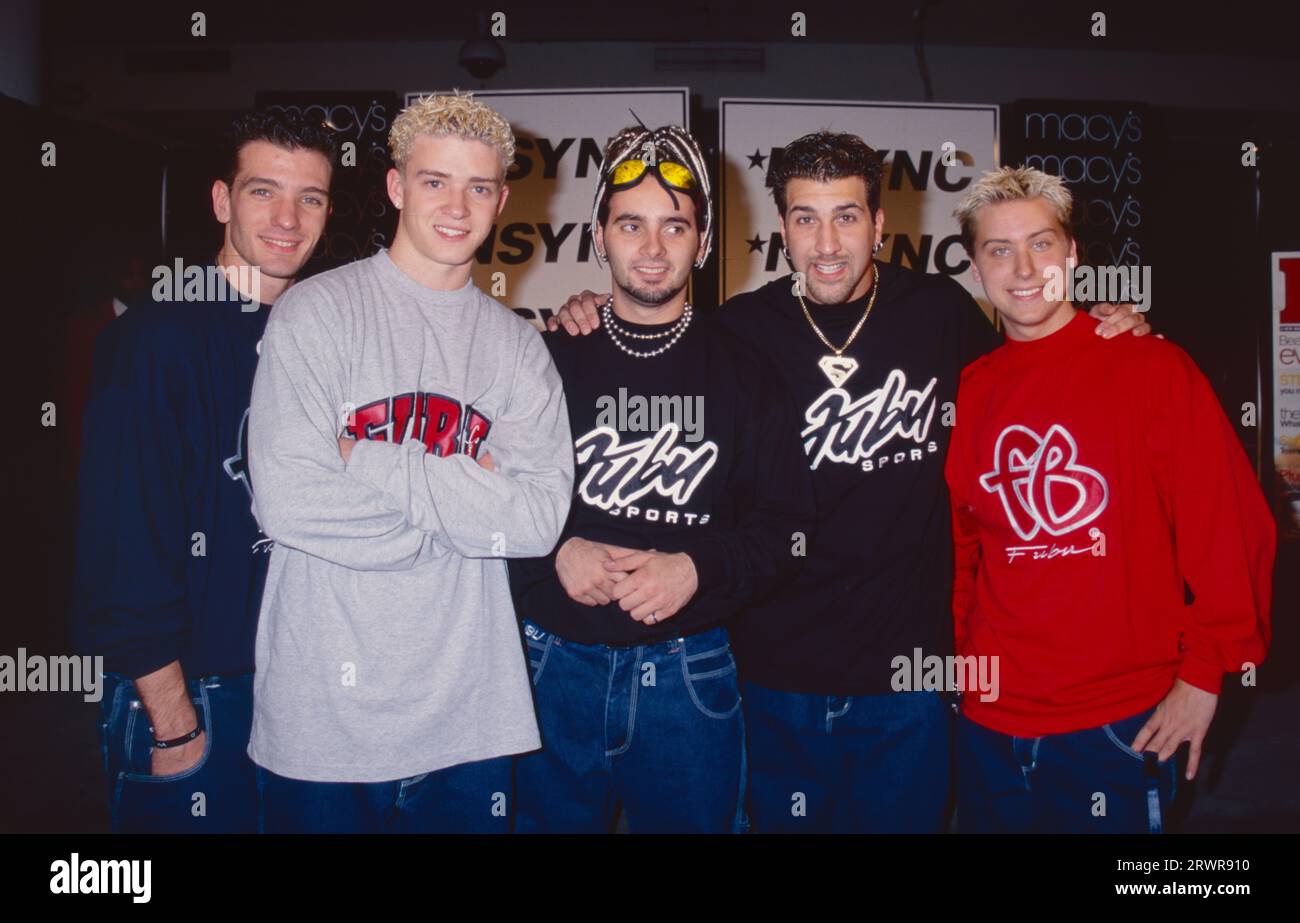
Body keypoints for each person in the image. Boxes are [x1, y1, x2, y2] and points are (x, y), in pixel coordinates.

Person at [547, 131, 1150, 832]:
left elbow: (1033, 368)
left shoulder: (942, 314)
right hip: (769, 673)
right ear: (781, 229)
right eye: (805, 217)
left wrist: (1107, 322)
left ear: (880, 224)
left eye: (846, 217)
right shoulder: (738, 331)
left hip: (911, 677)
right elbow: (649, 337)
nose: (827, 243)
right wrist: (582, 311)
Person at [246, 93, 574, 833]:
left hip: (471, 720)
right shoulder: (316, 312)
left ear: (501, 201)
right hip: (319, 720)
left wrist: (360, 456)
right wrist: (460, 508)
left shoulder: (520, 349)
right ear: (396, 187)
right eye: (435, 181)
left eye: (478, 187)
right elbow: (289, 500)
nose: (457, 206)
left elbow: (536, 519)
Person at [944, 165, 1274, 833]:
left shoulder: (1151, 366)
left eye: (1040, 243)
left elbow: (1228, 525)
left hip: (1118, 724)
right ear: (976, 268)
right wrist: (959, 668)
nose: (1023, 266)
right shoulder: (973, 386)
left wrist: (1206, 673)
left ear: (1072, 255)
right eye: (998, 249)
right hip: (988, 723)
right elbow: (966, 545)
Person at [507, 125, 813, 833]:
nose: (651, 249)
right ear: (599, 235)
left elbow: (788, 527)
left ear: (702, 242)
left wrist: (697, 566)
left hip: (688, 674)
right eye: (631, 225)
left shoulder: (746, 369)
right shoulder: (543, 357)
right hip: (548, 665)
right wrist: (551, 550)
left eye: (674, 226)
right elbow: (485, 497)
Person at [72, 108, 337, 832]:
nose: (287, 218)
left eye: (309, 197)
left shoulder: (322, 331)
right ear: (222, 200)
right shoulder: (157, 338)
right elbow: (122, 543)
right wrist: (172, 719)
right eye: (263, 192)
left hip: (297, 691)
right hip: (194, 693)